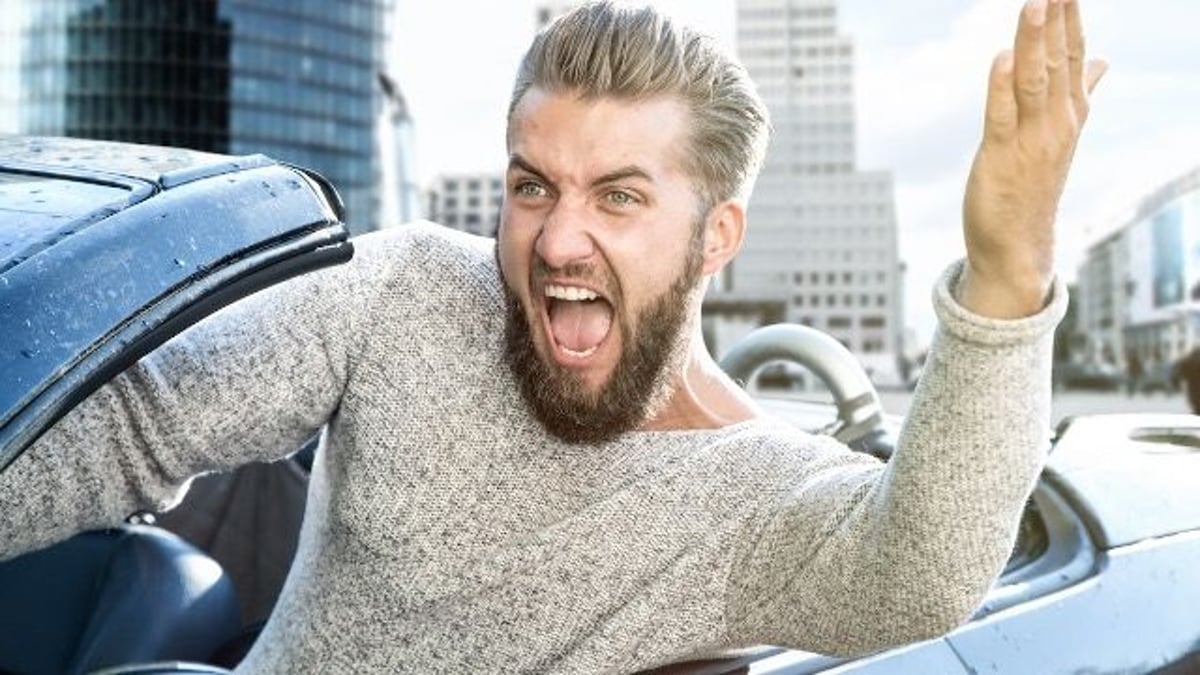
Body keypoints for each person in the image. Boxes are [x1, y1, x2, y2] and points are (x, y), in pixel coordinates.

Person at [0, 0, 1105, 672]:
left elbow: (918, 579)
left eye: (619, 197)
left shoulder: (753, 492)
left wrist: (1008, 279)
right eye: (535, 186)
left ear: (715, 235)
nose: (559, 238)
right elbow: (129, 429)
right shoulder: (403, 290)